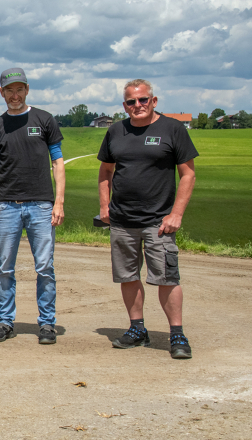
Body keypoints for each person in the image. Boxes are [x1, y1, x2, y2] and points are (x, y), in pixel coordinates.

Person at [98, 79, 198, 359]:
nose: (137, 106)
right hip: (122, 219)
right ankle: (137, 329)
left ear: (154, 101)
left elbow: (188, 174)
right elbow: (106, 171)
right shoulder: (116, 131)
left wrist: (176, 213)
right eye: (131, 102)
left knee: (167, 277)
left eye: (143, 100)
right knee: (127, 276)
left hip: (159, 221)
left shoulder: (172, 129)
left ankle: (177, 334)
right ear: (124, 105)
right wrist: (105, 206)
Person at [0, 67, 65, 345]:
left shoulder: (44, 120)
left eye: (19, 89)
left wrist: (59, 202)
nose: (14, 95)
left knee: (44, 267)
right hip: (7, 207)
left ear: (27, 90)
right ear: (1, 92)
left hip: (42, 206)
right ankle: (5, 321)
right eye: (9, 90)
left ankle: (47, 324)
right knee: (5, 268)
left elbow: (58, 162)